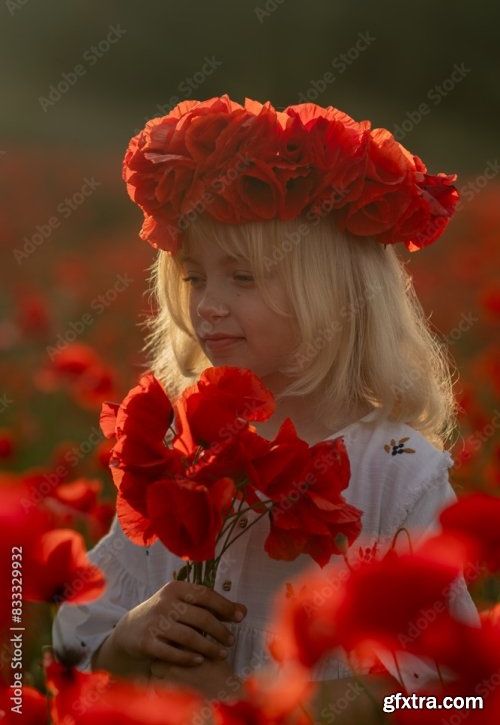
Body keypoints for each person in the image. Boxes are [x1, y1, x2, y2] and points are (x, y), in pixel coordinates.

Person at [52, 95, 477, 717]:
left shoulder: (397, 470)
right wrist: (129, 638)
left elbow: (456, 695)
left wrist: (249, 700)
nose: (209, 305)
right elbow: (69, 636)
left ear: (336, 294)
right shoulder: (180, 446)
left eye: (243, 277)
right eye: (195, 277)